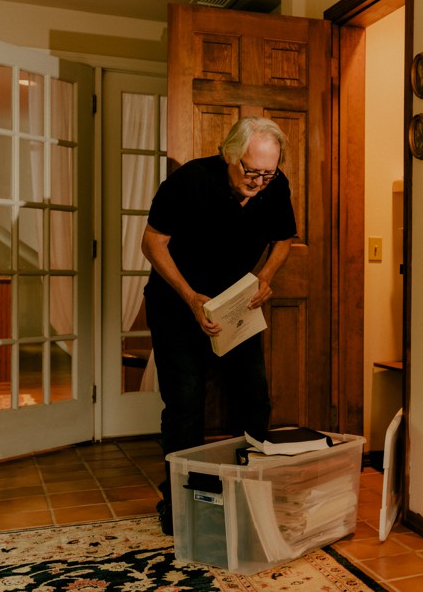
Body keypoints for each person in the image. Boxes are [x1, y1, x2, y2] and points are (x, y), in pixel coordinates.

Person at [141, 117, 297, 535]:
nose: (259, 181)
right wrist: (191, 297)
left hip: (234, 306)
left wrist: (265, 278)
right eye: (251, 171)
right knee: (186, 402)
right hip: (178, 303)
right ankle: (181, 503)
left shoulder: (275, 186)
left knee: (254, 397)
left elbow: (284, 239)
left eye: (268, 172)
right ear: (231, 154)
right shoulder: (191, 180)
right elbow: (151, 242)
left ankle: (252, 492)